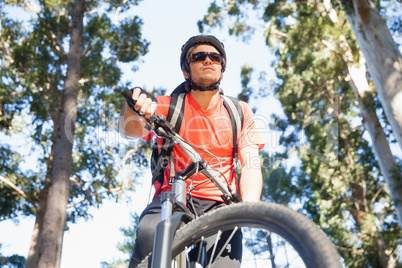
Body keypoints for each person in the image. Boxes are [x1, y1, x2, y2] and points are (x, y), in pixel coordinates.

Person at [119, 35, 264, 267]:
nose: (208, 60)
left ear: (222, 69)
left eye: (215, 57)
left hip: (221, 203)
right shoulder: (168, 106)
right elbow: (130, 130)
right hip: (173, 196)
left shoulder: (239, 111)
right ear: (187, 71)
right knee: (150, 233)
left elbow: (250, 162)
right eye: (199, 57)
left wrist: (250, 206)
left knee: (226, 262)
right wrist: (132, 107)